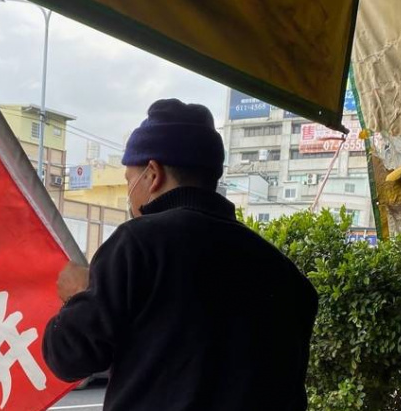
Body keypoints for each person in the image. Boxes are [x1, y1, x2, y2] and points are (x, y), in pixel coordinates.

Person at [42, 99, 318, 411]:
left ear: (152, 174)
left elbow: (69, 357)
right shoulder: (286, 275)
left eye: (129, 179)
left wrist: (78, 295)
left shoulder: (137, 245)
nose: (129, 188)